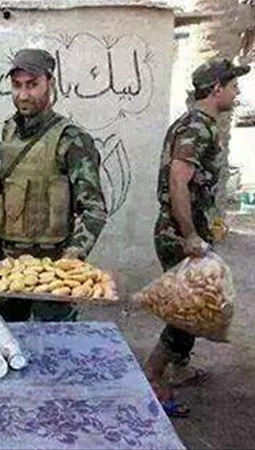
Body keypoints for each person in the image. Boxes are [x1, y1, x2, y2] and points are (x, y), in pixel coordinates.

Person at [145, 58, 249, 417]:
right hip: (179, 234)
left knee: (188, 309)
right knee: (189, 313)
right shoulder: (197, 128)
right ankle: (153, 377)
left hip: (185, 230)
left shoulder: (197, 124)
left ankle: (176, 367)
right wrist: (190, 235)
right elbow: (179, 181)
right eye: (233, 86)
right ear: (216, 88)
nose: (237, 92)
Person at [0, 48, 108, 322]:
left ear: (50, 83)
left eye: (32, 85)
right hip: (9, 266)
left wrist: (72, 258)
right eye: (17, 85)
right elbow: (7, 189)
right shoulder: (9, 130)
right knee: (2, 335)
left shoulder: (72, 139)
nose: (23, 95)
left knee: (54, 340)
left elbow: (94, 209)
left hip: (52, 267)